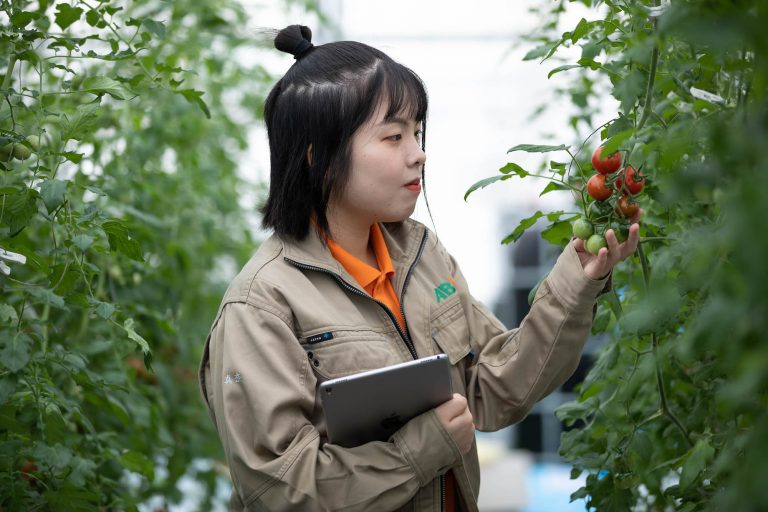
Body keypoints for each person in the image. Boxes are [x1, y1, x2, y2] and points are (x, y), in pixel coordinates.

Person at [198, 24, 640, 512]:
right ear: (317, 157)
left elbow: (492, 388)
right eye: (393, 136)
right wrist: (418, 451)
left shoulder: (419, 254)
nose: (419, 154)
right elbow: (280, 490)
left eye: (417, 132)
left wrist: (578, 281)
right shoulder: (262, 304)